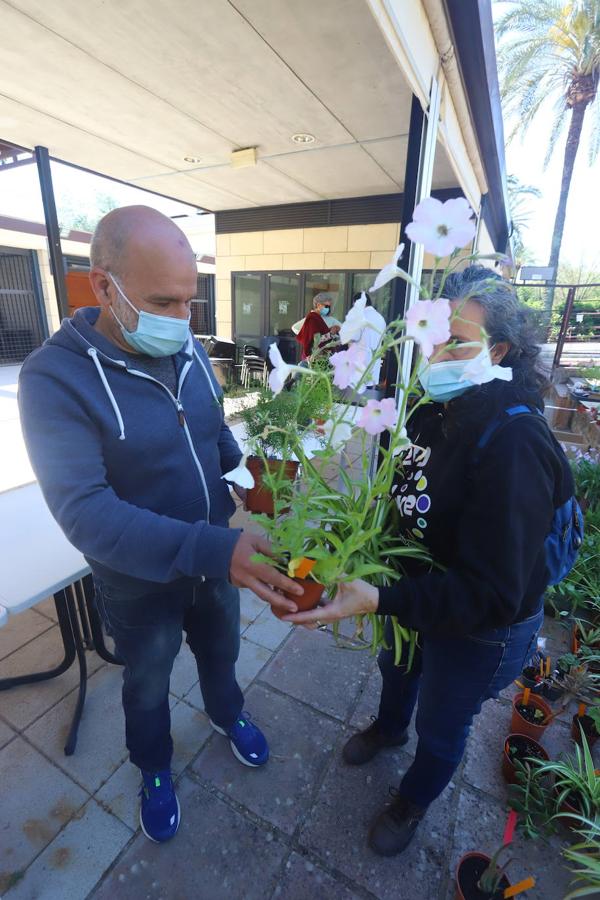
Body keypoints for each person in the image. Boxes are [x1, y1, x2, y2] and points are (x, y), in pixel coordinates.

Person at [18, 206, 301, 844]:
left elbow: (209, 431)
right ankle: (153, 766)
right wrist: (213, 546)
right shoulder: (53, 379)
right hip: (138, 579)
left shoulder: (188, 347)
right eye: (162, 302)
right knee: (147, 682)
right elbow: (85, 514)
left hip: (214, 557)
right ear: (103, 286)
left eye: (189, 304)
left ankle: (229, 714)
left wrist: (251, 477)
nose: (180, 320)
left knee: (222, 652)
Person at [285, 266, 574, 857]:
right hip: (414, 593)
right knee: (398, 670)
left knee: (444, 721)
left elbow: (489, 593)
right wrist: (359, 536)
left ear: (498, 350)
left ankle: (413, 798)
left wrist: (383, 597)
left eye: (456, 341)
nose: (436, 351)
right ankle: (390, 728)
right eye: (432, 334)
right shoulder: (435, 404)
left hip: (478, 628)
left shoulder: (515, 443)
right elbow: (402, 489)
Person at [349, 290, 387, 389]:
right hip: (374, 367)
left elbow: (352, 340)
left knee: (354, 399)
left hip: (359, 365)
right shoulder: (380, 318)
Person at [295, 293, 340, 361]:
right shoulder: (312, 319)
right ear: (318, 305)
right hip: (314, 358)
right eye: (326, 306)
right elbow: (315, 341)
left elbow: (318, 334)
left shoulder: (317, 318)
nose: (328, 309)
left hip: (319, 357)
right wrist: (331, 333)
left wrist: (330, 330)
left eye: (329, 307)